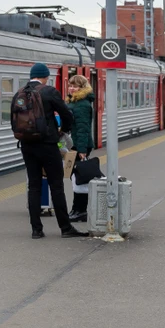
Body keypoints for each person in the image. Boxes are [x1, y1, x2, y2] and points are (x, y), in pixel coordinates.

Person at [11, 63, 85, 239]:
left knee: (34, 186)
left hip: (27, 145)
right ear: (45, 76)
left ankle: (36, 230)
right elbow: (67, 115)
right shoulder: (49, 91)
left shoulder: (19, 93)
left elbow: (14, 121)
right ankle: (65, 228)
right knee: (56, 186)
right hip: (48, 144)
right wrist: (62, 131)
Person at [66, 74, 96, 222]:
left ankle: (80, 211)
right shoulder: (74, 102)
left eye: (75, 86)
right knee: (76, 179)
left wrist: (82, 150)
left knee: (79, 179)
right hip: (76, 145)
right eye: (70, 85)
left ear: (82, 88)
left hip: (79, 146)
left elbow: (83, 129)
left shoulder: (82, 105)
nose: (71, 88)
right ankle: (77, 209)